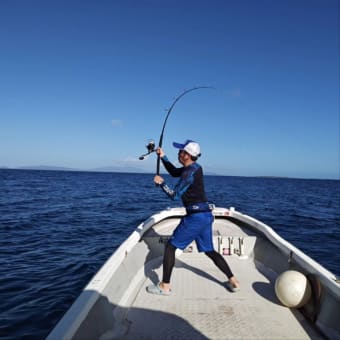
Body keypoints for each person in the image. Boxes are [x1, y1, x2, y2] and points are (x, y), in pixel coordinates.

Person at [146, 139, 240, 296]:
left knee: (170, 247)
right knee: (210, 251)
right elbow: (175, 172)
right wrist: (163, 157)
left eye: (181, 151)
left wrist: (162, 184)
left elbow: (175, 196)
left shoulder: (189, 174)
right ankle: (233, 280)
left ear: (187, 155)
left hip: (195, 218)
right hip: (205, 216)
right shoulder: (195, 168)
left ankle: (165, 286)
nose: (179, 152)